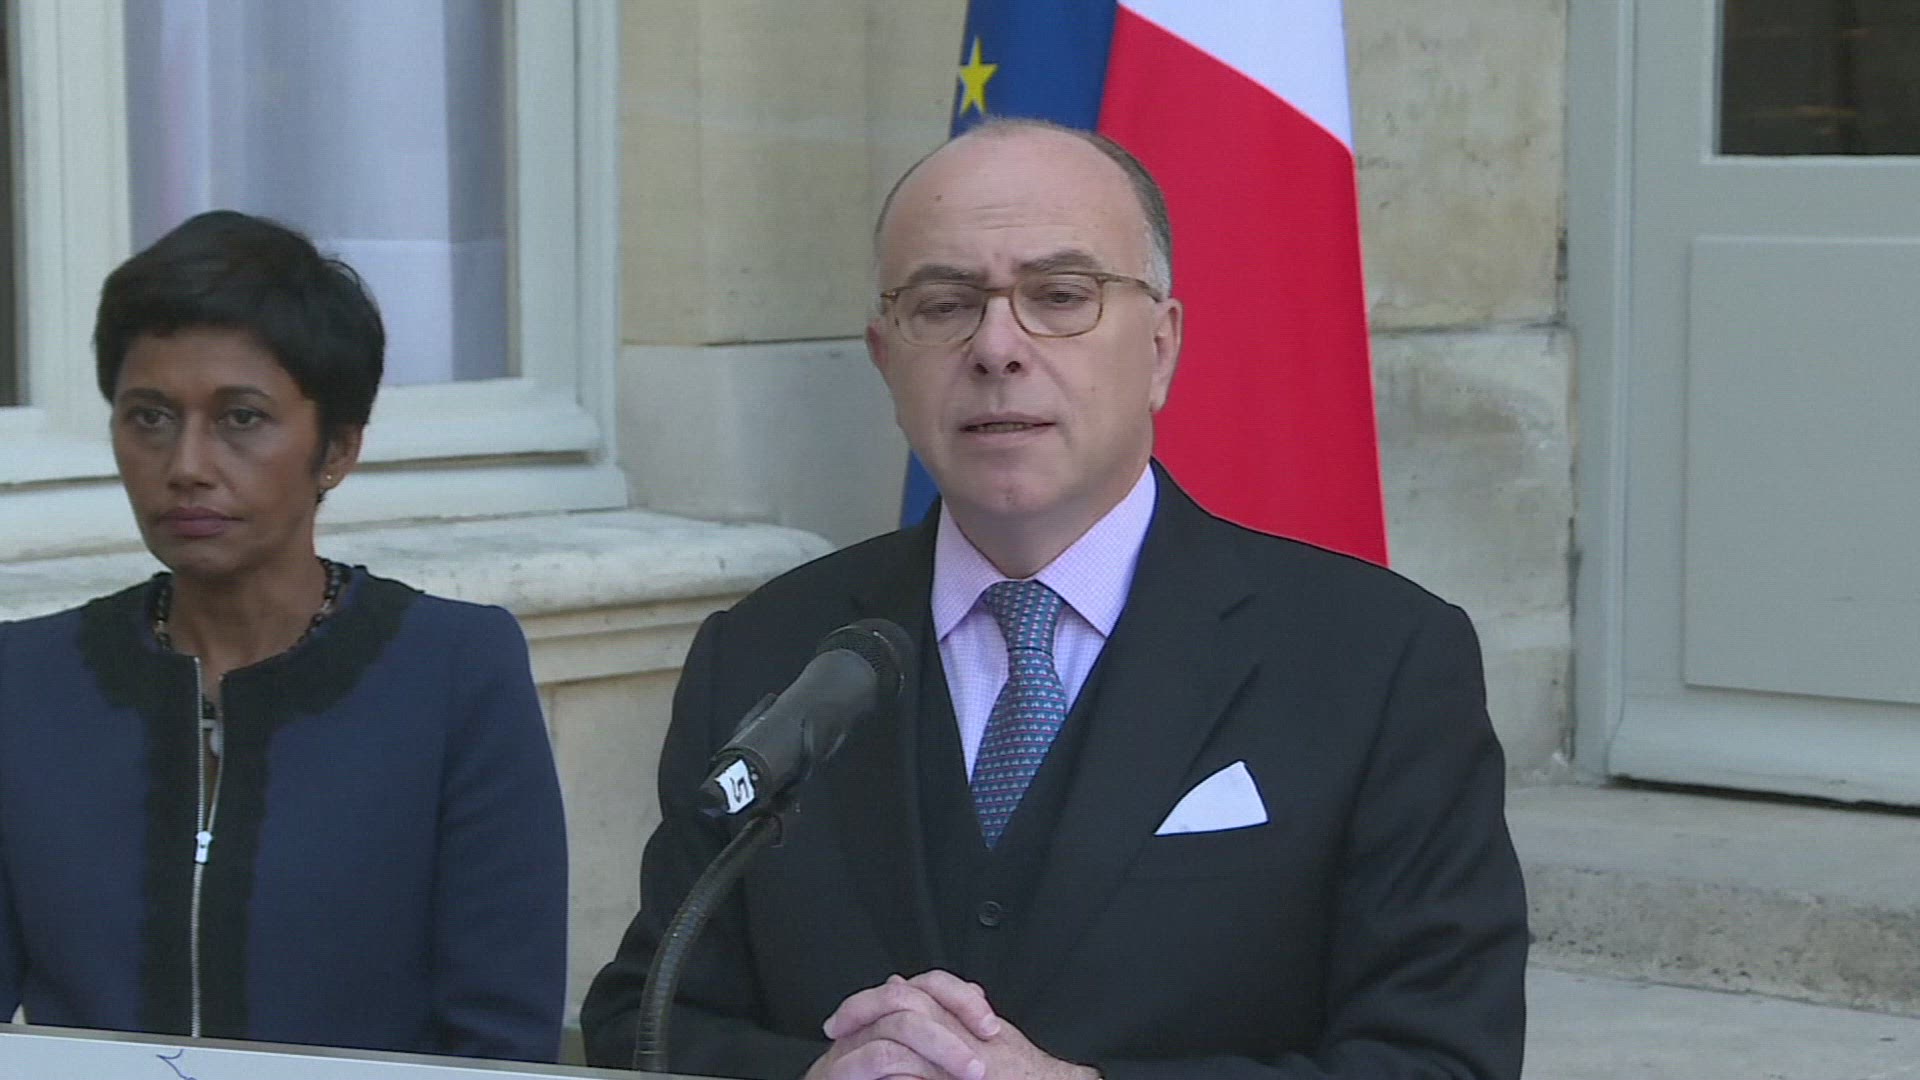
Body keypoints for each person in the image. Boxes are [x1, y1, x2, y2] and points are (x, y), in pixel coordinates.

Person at [581, 119, 1527, 1080]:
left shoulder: (1378, 660)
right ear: (884, 357)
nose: (997, 347)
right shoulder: (765, 651)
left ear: (1161, 346)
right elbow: (645, 1019)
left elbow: (1441, 1060)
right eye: (944, 306)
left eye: (1061, 296)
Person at [0, 210, 568, 1061]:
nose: (186, 465)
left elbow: (501, 1037)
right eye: (149, 417)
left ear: (336, 449)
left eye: (241, 418)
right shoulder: (27, 682)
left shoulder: (453, 673)